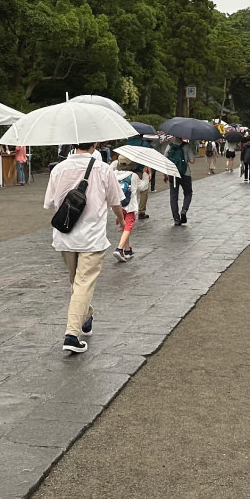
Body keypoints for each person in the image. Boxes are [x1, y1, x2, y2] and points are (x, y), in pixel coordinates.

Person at [44, 141, 125, 354]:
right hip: (92, 237)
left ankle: (86, 317)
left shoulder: (59, 169)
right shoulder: (104, 169)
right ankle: (72, 334)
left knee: (77, 283)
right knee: (82, 284)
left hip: (65, 236)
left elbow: (50, 203)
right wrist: (121, 219)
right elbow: (116, 200)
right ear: (95, 144)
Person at [112, 159, 149, 262]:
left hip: (118, 205)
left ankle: (127, 250)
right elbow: (143, 187)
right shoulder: (133, 176)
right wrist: (145, 174)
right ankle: (119, 249)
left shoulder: (114, 174)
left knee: (124, 226)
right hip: (130, 206)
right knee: (128, 226)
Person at [165, 138, 194, 226]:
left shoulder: (169, 146)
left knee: (173, 196)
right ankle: (184, 210)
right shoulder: (187, 146)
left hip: (172, 174)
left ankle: (176, 218)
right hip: (185, 174)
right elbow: (192, 161)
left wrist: (165, 174)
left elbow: (165, 160)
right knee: (188, 193)